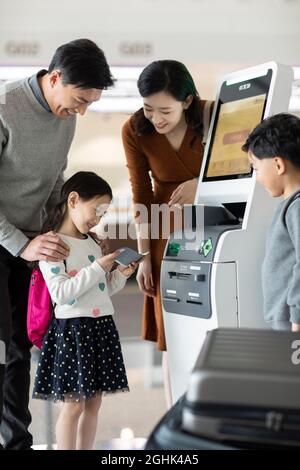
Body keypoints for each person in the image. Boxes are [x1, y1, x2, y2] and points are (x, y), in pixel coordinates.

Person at [0, 38, 113, 449]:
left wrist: (76, 232)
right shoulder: (5, 106)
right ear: (55, 78)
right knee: (4, 351)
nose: (80, 112)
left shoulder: (67, 116)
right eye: (79, 100)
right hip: (5, 241)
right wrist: (19, 244)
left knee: (19, 351)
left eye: (89, 104)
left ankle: (17, 443)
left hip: (32, 243)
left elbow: (54, 187)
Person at [122, 60, 213, 404]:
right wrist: (144, 256)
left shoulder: (212, 115)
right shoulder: (134, 129)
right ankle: (175, 421)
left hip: (212, 221)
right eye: (148, 108)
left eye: (165, 110)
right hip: (163, 230)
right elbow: (140, 195)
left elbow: (242, 168)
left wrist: (200, 185)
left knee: (210, 320)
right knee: (171, 331)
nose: (156, 119)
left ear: (187, 101)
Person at [32, 171, 136, 450]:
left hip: (101, 327)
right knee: (74, 405)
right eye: (96, 210)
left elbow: (100, 292)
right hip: (72, 332)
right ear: (74, 200)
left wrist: (120, 275)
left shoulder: (92, 242)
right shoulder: (52, 245)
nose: (99, 219)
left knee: (94, 402)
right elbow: (62, 294)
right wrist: (98, 267)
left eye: (104, 214)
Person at [242, 113, 300, 333]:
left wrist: (297, 324)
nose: (256, 177)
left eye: (256, 168)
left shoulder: (297, 207)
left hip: (293, 326)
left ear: (278, 164)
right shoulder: (290, 206)